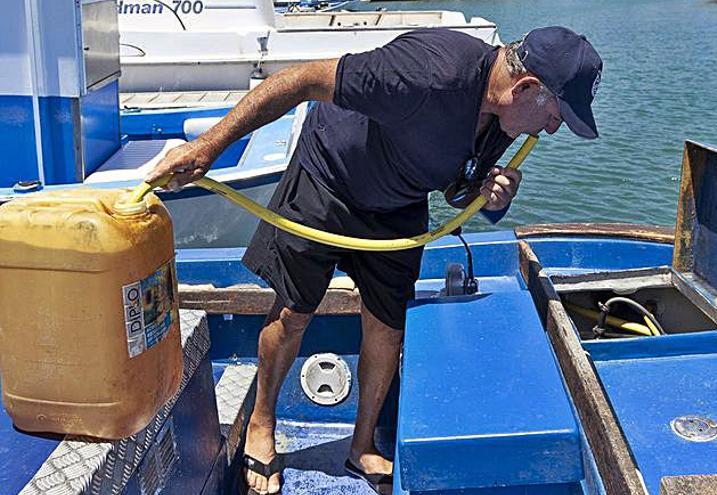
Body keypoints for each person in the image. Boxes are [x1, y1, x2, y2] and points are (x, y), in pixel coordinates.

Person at [147, 25, 602, 495]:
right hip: (328, 179)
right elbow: (299, 80)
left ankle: (360, 444)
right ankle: (262, 422)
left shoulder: (504, 116)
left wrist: (492, 200)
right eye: (555, 115)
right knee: (293, 311)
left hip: (399, 203)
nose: (552, 129)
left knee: (387, 324)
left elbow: (457, 186)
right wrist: (208, 148)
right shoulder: (423, 72)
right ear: (525, 87)